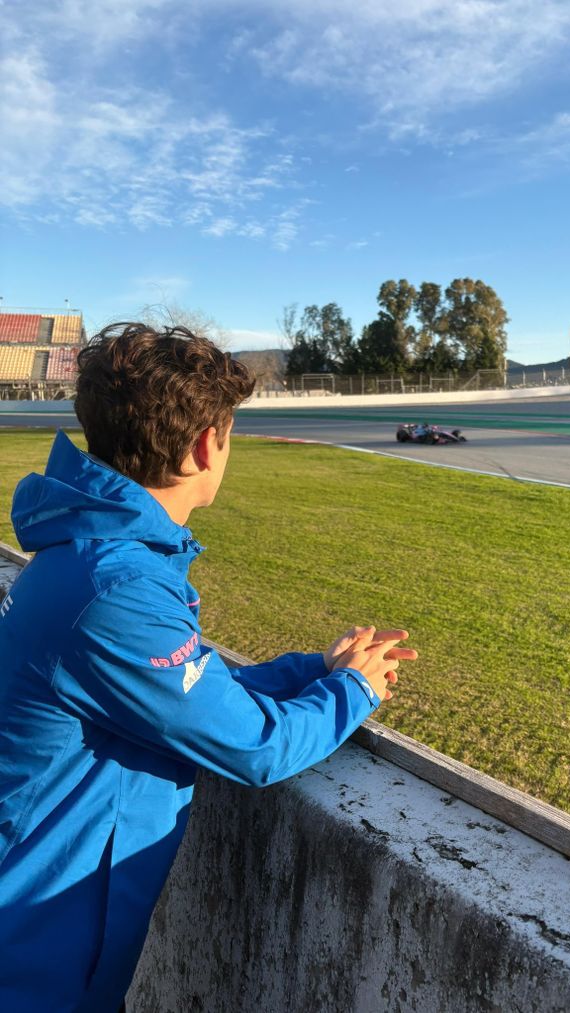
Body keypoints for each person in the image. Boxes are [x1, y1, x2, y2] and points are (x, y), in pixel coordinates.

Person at [0, 322, 416, 1013]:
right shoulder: (115, 589)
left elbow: (179, 695)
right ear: (204, 446)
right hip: (30, 962)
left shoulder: (91, 553)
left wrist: (313, 668)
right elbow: (255, 746)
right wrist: (353, 689)